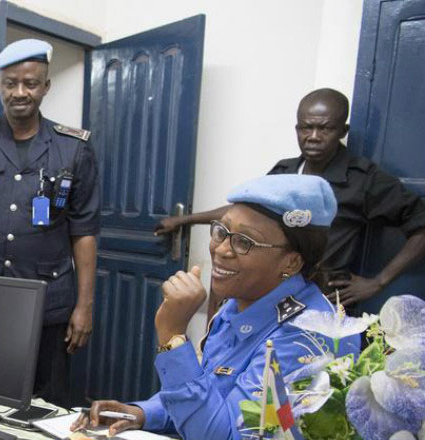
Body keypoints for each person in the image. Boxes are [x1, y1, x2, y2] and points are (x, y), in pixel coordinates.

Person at [74, 175, 361, 440]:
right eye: (221, 232)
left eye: (244, 242)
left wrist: (173, 337)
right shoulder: (242, 301)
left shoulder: (306, 333)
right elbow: (212, 390)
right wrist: (143, 413)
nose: (222, 249)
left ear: (291, 262)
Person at [0, 39, 100, 407]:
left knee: (47, 406)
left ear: (46, 86)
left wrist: (84, 306)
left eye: (29, 83)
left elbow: (84, 232)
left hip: (49, 301)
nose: (19, 92)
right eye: (10, 83)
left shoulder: (74, 148)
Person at [156, 88, 425, 308]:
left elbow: (420, 224)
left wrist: (377, 282)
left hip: (322, 299)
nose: (313, 137)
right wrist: (185, 220)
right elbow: (243, 213)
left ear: (343, 131)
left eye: (325, 129)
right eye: (305, 128)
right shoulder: (284, 171)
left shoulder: (362, 179)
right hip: (269, 289)